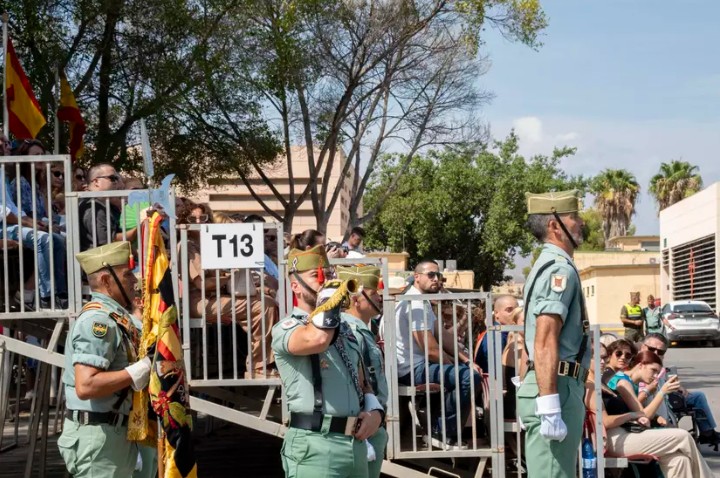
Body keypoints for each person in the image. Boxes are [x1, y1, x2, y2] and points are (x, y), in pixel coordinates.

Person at [272, 246, 384, 477]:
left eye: (329, 275)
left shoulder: (346, 329)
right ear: (295, 286)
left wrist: (375, 412)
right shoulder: (287, 328)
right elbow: (318, 339)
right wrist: (328, 302)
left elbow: (363, 382)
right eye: (316, 276)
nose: (325, 282)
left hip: (353, 444)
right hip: (316, 445)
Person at [57, 241, 152, 477]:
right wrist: (138, 371)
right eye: (127, 274)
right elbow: (86, 385)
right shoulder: (97, 321)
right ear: (106, 280)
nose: (134, 280)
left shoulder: (116, 317)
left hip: (112, 434)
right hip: (98, 438)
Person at [517, 189, 589, 478]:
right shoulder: (558, 270)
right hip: (556, 385)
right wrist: (549, 405)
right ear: (555, 225)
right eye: (574, 217)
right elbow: (545, 339)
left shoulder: (547, 265)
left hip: (554, 383)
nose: (581, 222)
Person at [179, 204, 279, 377]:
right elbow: (203, 285)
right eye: (192, 219)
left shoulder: (207, 243)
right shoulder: (188, 245)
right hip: (200, 301)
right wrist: (230, 275)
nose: (199, 222)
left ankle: (263, 362)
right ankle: (258, 367)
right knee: (264, 306)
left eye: (203, 218)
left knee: (266, 300)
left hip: (218, 296)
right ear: (184, 222)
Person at [395, 259, 481, 448]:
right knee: (467, 378)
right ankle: (440, 432)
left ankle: (440, 425)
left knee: (468, 373)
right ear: (417, 277)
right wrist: (458, 368)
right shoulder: (415, 303)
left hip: (421, 366)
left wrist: (467, 361)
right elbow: (431, 349)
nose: (436, 279)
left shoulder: (422, 301)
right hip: (412, 369)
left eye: (438, 275)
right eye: (431, 275)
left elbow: (442, 335)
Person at [602, 350, 713, 478]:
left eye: (657, 373)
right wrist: (661, 392)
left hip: (628, 432)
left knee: (680, 460)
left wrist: (655, 412)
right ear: (641, 365)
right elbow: (643, 415)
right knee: (683, 436)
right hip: (619, 437)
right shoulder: (622, 382)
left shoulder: (627, 382)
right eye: (653, 370)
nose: (655, 376)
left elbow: (638, 412)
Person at [337, 265, 388, 478]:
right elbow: (355, 378)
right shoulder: (351, 332)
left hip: (372, 422)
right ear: (356, 299)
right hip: (364, 425)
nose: (379, 298)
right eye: (374, 293)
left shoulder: (363, 330)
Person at [638, 333, 720, 447]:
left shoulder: (658, 366)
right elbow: (639, 404)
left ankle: (708, 432)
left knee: (698, 396)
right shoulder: (639, 368)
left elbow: (665, 379)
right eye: (651, 349)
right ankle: (708, 433)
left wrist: (676, 386)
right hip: (653, 418)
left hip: (665, 405)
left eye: (660, 352)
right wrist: (656, 392)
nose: (655, 353)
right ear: (642, 347)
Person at [79, 164, 137, 251]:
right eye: (112, 178)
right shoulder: (93, 207)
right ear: (96, 182)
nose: (117, 182)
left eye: (117, 178)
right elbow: (108, 240)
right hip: (98, 258)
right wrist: (139, 228)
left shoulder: (104, 205)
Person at [475, 295, 519, 374]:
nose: (515, 314)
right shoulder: (496, 337)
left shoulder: (504, 333)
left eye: (517, 310)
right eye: (509, 310)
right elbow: (495, 372)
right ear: (496, 313)